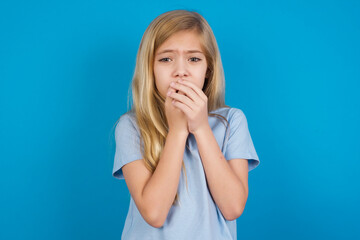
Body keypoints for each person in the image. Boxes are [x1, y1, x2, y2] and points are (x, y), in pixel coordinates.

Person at [112, 9, 260, 240]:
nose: (180, 71)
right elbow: (154, 213)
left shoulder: (232, 121)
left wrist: (200, 128)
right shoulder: (131, 126)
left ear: (208, 69)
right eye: (165, 59)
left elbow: (233, 208)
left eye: (193, 59)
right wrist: (178, 130)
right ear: (150, 68)